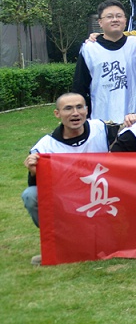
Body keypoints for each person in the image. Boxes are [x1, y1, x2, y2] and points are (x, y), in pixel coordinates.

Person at [22, 93, 114, 264]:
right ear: (57, 114)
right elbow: (37, 186)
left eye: (79, 107)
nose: (75, 113)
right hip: (66, 199)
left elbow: (130, 147)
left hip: (101, 196)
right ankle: (58, 243)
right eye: (68, 109)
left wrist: (133, 121)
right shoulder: (45, 146)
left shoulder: (102, 129)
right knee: (30, 195)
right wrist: (34, 170)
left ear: (87, 110)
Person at [72, 0, 136, 122]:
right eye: (109, 17)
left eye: (119, 16)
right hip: (99, 120)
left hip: (134, 119)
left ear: (125, 20)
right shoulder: (89, 49)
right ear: (100, 22)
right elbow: (79, 87)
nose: (115, 19)